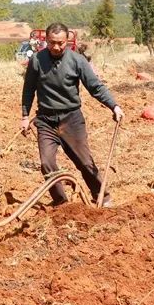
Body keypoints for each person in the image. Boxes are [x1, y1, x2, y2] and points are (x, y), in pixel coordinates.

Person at [21, 23, 124, 207]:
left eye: (60, 43)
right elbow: (28, 89)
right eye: (52, 42)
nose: (56, 47)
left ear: (67, 41)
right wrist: (25, 116)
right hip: (45, 120)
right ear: (46, 40)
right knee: (46, 163)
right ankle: (61, 202)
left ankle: (102, 196)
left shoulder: (77, 61)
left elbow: (95, 87)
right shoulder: (37, 60)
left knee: (85, 162)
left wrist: (114, 106)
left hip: (71, 119)